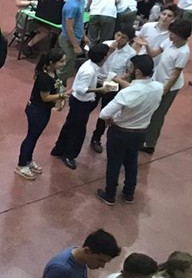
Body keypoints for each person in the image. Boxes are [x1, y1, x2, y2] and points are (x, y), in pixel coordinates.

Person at [96, 54, 163, 205]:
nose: (128, 71)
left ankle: (110, 194)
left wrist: (110, 119)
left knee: (114, 163)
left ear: (137, 72)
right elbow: (138, 89)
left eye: (130, 68)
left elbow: (104, 113)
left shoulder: (126, 93)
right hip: (140, 132)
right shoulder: (158, 88)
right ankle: (129, 193)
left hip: (120, 132)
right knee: (132, 162)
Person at [49, 42, 111, 169]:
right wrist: (99, 90)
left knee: (70, 126)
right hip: (81, 103)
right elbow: (81, 89)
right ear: (103, 58)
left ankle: (59, 149)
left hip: (79, 102)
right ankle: (69, 155)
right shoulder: (89, 71)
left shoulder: (90, 66)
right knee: (77, 131)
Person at [15, 49, 68, 181]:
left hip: (44, 110)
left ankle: (28, 160)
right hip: (36, 110)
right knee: (31, 137)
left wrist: (59, 101)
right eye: (61, 61)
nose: (64, 64)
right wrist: (62, 95)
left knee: (35, 137)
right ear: (51, 62)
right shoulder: (44, 78)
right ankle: (21, 165)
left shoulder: (53, 73)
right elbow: (45, 97)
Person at [142, 19, 190, 153]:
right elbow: (154, 53)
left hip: (168, 86)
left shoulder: (183, 52)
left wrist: (164, 90)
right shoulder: (170, 42)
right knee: (150, 110)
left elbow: (175, 75)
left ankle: (150, 144)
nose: (170, 35)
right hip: (157, 80)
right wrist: (146, 45)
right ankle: (144, 136)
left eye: (173, 34)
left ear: (181, 36)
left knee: (158, 114)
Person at [90, 26, 137, 154]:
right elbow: (95, 61)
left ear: (129, 40)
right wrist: (109, 52)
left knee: (106, 111)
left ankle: (96, 138)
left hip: (113, 83)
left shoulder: (131, 54)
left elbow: (128, 72)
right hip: (97, 79)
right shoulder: (106, 44)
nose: (119, 39)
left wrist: (115, 80)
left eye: (124, 37)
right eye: (118, 35)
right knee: (88, 105)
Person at [60, 0, 96, 81]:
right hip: (69, 40)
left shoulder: (81, 1)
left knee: (70, 65)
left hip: (76, 37)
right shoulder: (72, 6)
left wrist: (84, 36)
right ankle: (58, 84)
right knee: (66, 65)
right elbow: (69, 28)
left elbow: (79, 22)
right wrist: (75, 46)